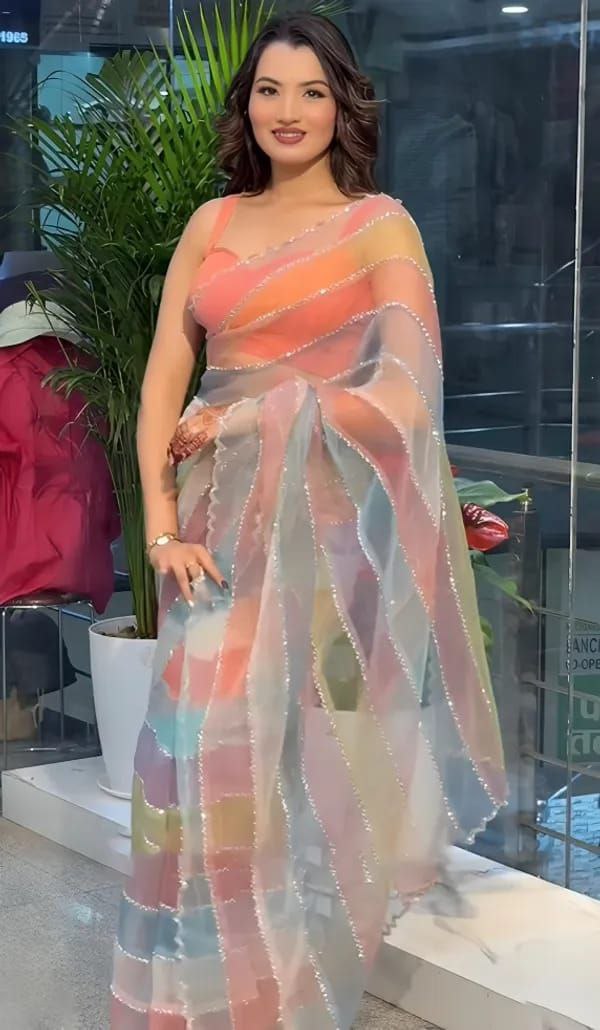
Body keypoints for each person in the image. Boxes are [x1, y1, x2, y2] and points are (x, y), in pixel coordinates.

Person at [111, 12, 507, 1029]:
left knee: (294, 785)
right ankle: (188, 1005)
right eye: (269, 90)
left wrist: (260, 410)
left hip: (328, 548)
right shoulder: (211, 223)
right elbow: (161, 386)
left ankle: (278, 1005)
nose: (288, 111)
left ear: (345, 105)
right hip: (209, 541)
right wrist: (160, 531)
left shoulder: (381, 224)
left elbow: (408, 396)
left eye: (312, 92)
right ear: (246, 103)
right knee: (191, 765)